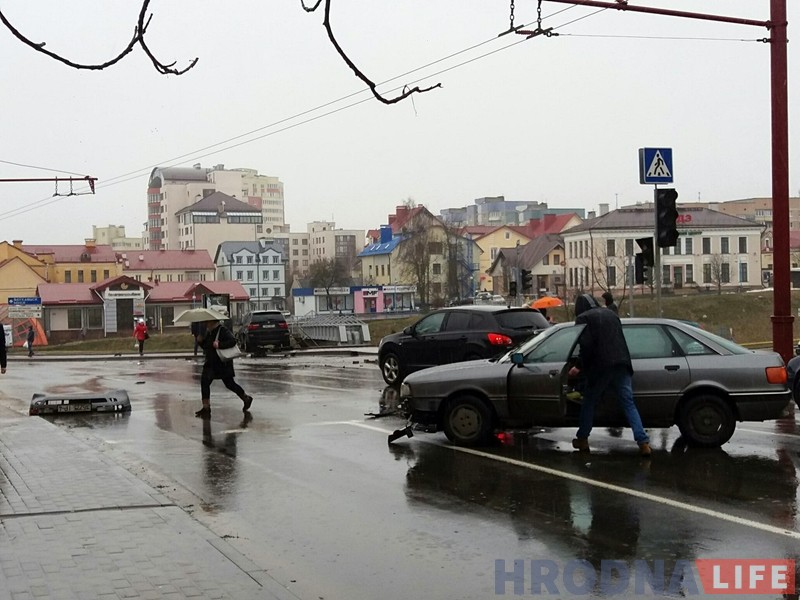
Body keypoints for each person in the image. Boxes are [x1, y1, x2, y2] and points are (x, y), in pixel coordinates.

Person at [567, 293, 651, 456]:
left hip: (601, 367)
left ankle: (582, 439)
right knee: (628, 403)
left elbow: (586, 346)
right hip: (622, 363)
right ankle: (643, 442)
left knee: (589, 401)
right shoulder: (611, 314)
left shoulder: (584, 318)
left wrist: (578, 366)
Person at [195, 318, 253, 418]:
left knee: (229, 384)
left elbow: (233, 341)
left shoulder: (223, 330)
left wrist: (220, 344)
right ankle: (206, 408)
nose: (206, 324)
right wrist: (200, 341)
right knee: (204, 382)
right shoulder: (210, 332)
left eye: (207, 322)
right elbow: (207, 347)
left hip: (222, 363)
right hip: (211, 363)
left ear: (213, 322)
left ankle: (246, 398)